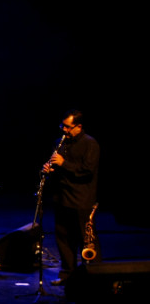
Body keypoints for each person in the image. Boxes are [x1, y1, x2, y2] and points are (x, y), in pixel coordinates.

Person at [42, 109, 100, 286]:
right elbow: (59, 170)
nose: (64, 130)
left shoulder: (90, 144)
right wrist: (50, 170)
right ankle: (68, 275)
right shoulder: (59, 143)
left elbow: (87, 171)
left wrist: (63, 163)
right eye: (63, 126)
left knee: (86, 239)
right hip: (62, 198)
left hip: (81, 199)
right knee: (64, 239)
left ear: (78, 127)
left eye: (68, 127)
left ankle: (94, 276)